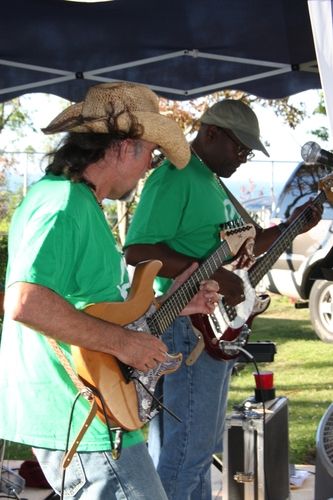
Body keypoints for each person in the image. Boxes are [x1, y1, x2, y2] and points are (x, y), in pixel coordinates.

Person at [0, 82, 221, 500]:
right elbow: (25, 302)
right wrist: (124, 343)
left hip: (100, 406)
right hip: (78, 412)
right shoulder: (62, 203)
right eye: (150, 155)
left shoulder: (80, 203)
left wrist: (173, 304)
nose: (148, 168)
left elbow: (94, 306)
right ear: (125, 147)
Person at [124, 99, 323, 500]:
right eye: (240, 148)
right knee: (189, 451)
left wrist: (294, 224)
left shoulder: (210, 181)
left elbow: (242, 247)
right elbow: (138, 251)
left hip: (209, 322)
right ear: (210, 133)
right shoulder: (176, 177)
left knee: (188, 446)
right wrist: (216, 274)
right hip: (187, 324)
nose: (243, 159)